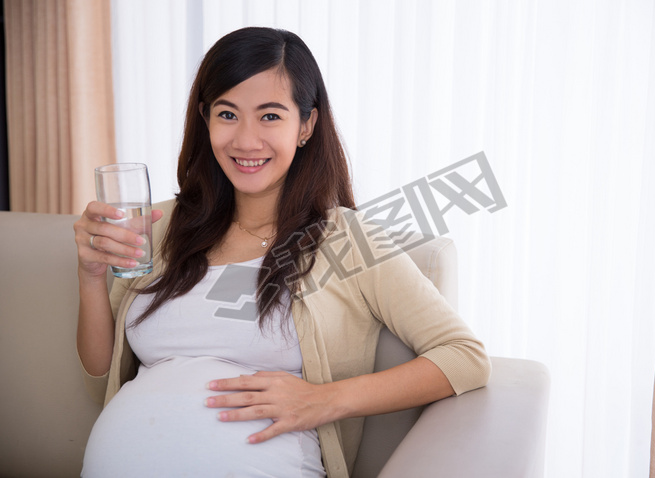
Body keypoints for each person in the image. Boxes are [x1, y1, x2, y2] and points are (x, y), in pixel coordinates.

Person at [74, 27, 491, 478]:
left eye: (270, 116)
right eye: (227, 114)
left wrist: (324, 399)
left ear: (306, 125)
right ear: (205, 119)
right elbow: (100, 374)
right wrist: (92, 276)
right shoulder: (159, 227)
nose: (246, 140)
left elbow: (464, 356)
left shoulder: (346, 240)